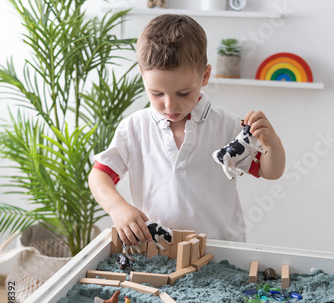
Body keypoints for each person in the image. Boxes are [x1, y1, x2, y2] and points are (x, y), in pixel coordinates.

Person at [88, 14, 285, 246]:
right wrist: (117, 208)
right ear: (143, 76)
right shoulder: (134, 128)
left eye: (183, 93)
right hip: (156, 251)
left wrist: (272, 143)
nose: (170, 105)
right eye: (157, 94)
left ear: (205, 76)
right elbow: (99, 175)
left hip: (221, 251)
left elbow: (268, 170)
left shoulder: (227, 126)